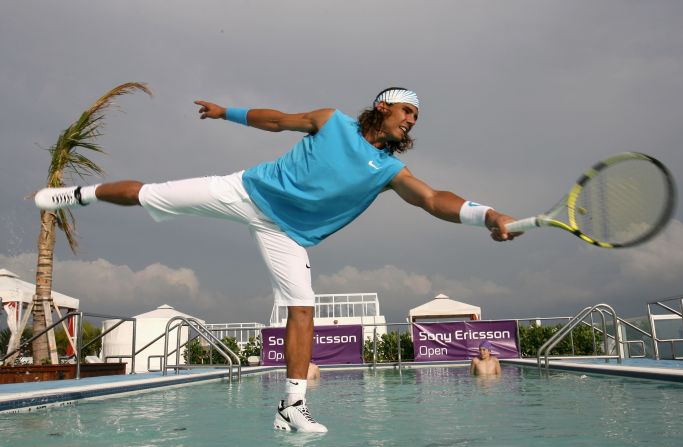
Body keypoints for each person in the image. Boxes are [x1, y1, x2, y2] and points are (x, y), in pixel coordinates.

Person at [34, 87, 519, 433]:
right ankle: (78, 195)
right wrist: (228, 113)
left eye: (416, 117)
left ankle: (292, 407)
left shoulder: (390, 170)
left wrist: (487, 214)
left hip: (287, 233)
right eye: (406, 111)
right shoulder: (332, 121)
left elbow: (434, 199)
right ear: (382, 106)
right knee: (151, 194)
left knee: (302, 306)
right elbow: (278, 119)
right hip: (245, 191)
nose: (411, 120)